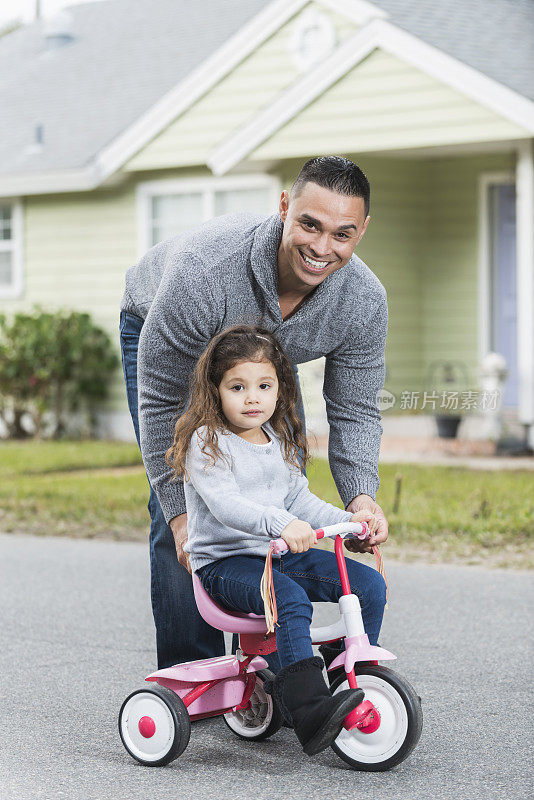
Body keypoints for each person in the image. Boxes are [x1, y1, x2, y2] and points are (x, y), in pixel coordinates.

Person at [119, 155, 389, 670]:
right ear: (285, 206)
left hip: (267, 362)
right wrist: (180, 518)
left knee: (281, 477)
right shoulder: (206, 273)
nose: (321, 247)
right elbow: (160, 404)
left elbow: (354, 410)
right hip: (169, 335)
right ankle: (191, 675)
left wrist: (360, 499)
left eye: (342, 234)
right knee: (185, 497)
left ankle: (285, 666)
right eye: (309, 224)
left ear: (363, 231)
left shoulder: (362, 301)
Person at [165, 324, 387, 755]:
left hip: (276, 555)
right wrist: (278, 523)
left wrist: (351, 520)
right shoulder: (207, 443)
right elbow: (227, 506)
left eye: (264, 385)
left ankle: (348, 682)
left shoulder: (277, 441)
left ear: (279, 389)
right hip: (226, 565)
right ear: (215, 391)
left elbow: (300, 499)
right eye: (238, 386)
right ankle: (308, 709)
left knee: (367, 586)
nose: (253, 397)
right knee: (289, 599)